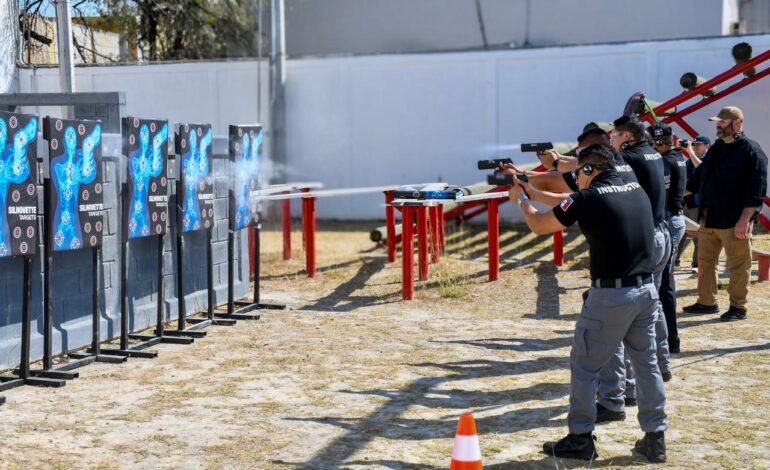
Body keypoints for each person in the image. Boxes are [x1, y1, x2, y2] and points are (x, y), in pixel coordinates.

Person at [506, 144, 668, 463]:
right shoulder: (631, 185)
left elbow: (540, 225)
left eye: (578, 173)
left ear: (590, 171)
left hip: (611, 297)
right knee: (647, 365)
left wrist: (522, 200)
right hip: (645, 292)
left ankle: (580, 437)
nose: (574, 179)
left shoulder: (589, 197)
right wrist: (531, 187)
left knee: (585, 366)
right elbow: (569, 203)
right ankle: (655, 438)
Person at [595, 115, 671, 425]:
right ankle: (662, 364)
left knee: (623, 314)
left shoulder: (628, 157)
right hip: (660, 231)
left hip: (647, 236)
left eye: (613, 135)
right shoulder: (651, 152)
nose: (612, 140)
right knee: (651, 304)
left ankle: (619, 393)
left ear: (625, 136)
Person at [683, 106, 768, 321]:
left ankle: (738, 307)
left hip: (734, 222)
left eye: (723, 122)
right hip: (709, 219)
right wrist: (674, 196)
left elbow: (756, 191)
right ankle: (707, 302)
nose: (718, 126)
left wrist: (744, 220)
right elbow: (699, 177)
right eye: (717, 123)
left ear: (738, 123)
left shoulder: (752, 151)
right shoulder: (717, 148)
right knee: (705, 263)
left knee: (738, 266)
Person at [649, 122, 687, 354]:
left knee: (663, 284)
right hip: (675, 220)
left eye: (653, 144)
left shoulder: (667, 161)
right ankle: (670, 339)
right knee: (665, 283)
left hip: (670, 221)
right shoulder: (677, 156)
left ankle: (668, 339)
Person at [676, 135, 711, 270]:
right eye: (693, 144)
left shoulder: (709, 159)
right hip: (685, 203)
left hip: (698, 205)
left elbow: (702, 170)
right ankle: (676, 261)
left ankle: (697, 264)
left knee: (699, 236)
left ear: (707, 146)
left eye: (698, 144)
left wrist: (690, 151)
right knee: (681, 233)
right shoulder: (689, 161)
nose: (695, 147)